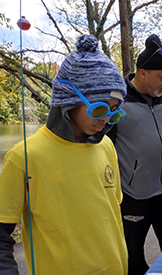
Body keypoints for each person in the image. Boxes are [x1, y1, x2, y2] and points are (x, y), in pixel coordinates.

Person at [0, 34, 128, 275]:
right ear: (69, 100)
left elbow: (111, 214)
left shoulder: (106, 146)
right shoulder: (25, 157)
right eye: (99, 107)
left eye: (113, 111)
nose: (105, 118)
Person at [107, 34, 162, 275]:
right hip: (133, 195)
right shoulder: (118, 102)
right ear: (142, 73)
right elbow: (105, 148)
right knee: (133, 259)